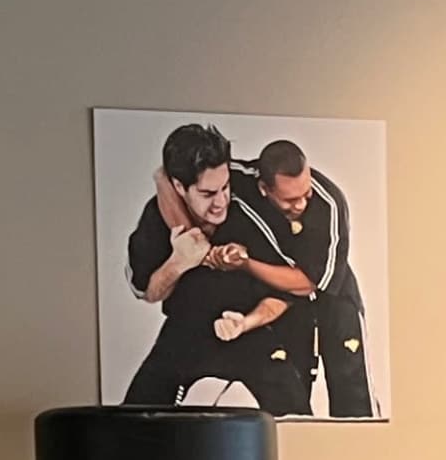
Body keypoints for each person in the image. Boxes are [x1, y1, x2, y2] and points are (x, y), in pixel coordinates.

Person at [121, 123, 317, 408]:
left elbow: (286, 293)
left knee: (296, 414)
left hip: (253, 328)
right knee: (134, 416)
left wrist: (245, 322)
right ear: (179, 187)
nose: (220, 201)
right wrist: (178, 263)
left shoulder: (252, 211)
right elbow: (149, 291)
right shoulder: (155, 216)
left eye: (225, 187)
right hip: (186, 330)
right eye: (207, 193)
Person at [222, 137, 373, 418]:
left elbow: (307, 283)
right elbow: (182, 177)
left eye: (306, 193)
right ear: (264, 188)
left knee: (354, 399)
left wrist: (246, 265)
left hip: (334, 299)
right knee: (290, 399)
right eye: (290, 200)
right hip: (282, 304)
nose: (301, 204)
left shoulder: (330, 203)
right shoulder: (237, 180)